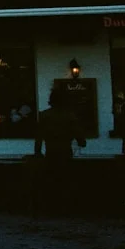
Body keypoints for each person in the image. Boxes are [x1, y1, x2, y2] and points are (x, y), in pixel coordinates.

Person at [33, 86, 84, 214]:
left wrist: (38, 153)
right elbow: (80, 139)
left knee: (51, 181)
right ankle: (65, 208)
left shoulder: (45, 115)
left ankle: (51, 207)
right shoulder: (70, 116)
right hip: (66, 152)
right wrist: (80, 141)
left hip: (50, 152)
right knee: (65, 181)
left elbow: (38, 138)